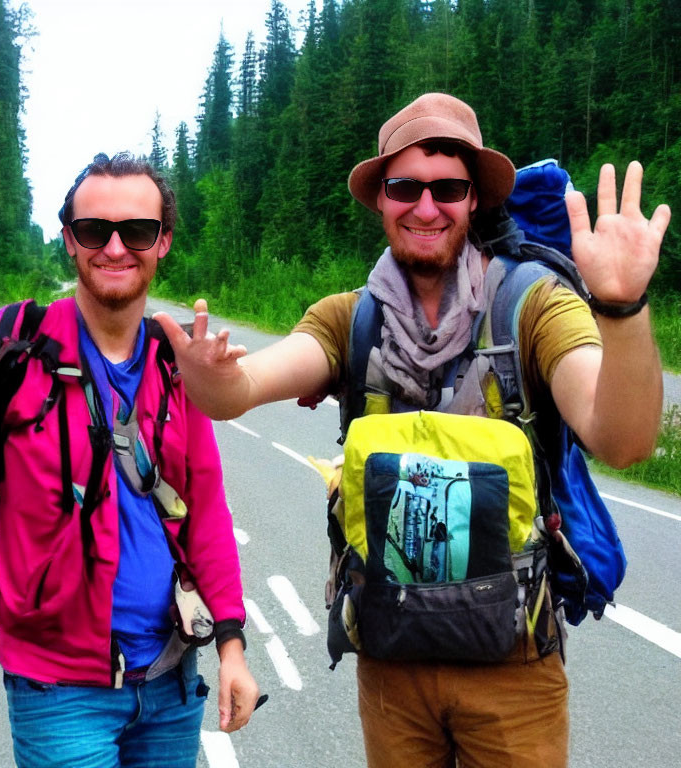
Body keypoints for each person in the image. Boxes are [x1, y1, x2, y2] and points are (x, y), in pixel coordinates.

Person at [154, 93, 671, 768]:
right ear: (381, 199)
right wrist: (209, 376)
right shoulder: (351, 321)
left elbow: (624, 439)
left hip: (514, 672)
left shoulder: (533, 308)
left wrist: (623, 306)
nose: (426, 206)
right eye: (405, 186)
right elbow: (245, 387)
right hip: (391, 665)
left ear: (475, 200)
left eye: (447, 187)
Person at [0, 152, 259, 768]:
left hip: (173, 680)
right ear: (70, 241)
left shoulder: (177, 363)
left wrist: (231, 645)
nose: (116, 247)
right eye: (95, 231)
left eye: (138, 230)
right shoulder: (13, 345)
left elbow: (203, 511)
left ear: (164, 242)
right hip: (58, 691)